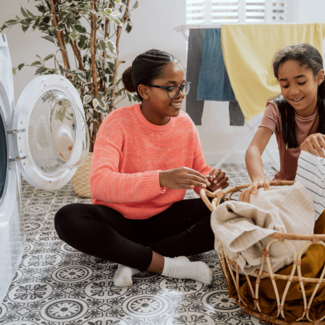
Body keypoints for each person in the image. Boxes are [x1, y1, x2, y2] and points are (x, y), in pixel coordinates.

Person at [55, 49, 229, 287]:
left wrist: (210, 184)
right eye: (170, 87)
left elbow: (200, 170)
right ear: (144, 90)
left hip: (165, 220)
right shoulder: (117, 122)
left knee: (229, 211)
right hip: (119, 222)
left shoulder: (185, 124)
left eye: (182, 86)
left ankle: (134, 259)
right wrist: (160, 179)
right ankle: (171, 266)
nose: (180, 95)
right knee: (68, 217)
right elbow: (100, 183)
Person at [241, 43, 325, 203]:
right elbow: (254, 149)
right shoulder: (277, 108)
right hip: (288, 189)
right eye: (285, 85)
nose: (293, 91)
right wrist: (258, 178)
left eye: (301, 82)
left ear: (319, 77)